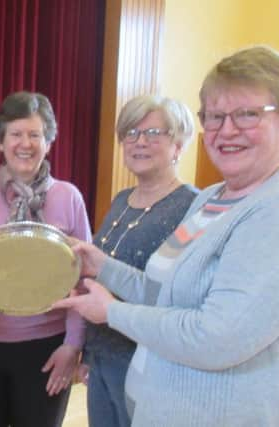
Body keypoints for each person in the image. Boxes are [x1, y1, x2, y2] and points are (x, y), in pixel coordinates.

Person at [53, 45, 279, 426]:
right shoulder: (210, 200)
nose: (226, 130)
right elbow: (166, 293)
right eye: (215, 116)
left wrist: (111, 312)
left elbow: (216, 338)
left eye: (247, 115)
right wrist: (103, 266)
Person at [0, 91, 92, 427]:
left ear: (49, 142)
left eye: (35, 135)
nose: (25, 144)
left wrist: (72, 346)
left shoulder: (69, 198)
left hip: (47, 350)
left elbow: (84, 279)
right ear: (0, 142)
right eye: (16, 134)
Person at [82, 95, 198, 427]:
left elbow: (176, 293)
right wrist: (90, 355)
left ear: (178, 144)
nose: (139, 142)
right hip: (104, 356)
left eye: (153, 133)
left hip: (150, 363)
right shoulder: (121, 200)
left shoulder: (190, 207)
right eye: (131, 133)